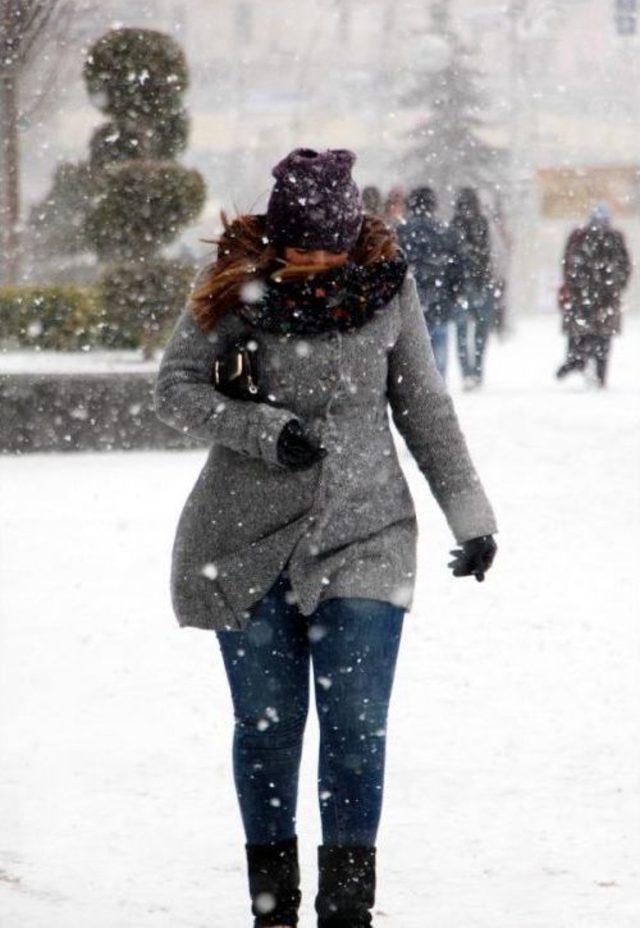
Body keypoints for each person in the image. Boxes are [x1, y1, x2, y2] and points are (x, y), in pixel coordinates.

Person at [155, 148, 498, 928]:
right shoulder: (237, 290)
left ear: (351, 237)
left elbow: (426, 410)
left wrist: (471, 518)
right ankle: (272, 908)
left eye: (328, 248)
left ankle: (348, 911)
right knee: (268, 732)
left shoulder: (387, 289)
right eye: (301, 248)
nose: (315, 263)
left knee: (356, 728)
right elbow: (173, 387)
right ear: (279, 236)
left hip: (367, 531)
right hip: (246, 540)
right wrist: (262, 429)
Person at [556, 203, 631, 387]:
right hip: (593, 295)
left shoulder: (587, 237)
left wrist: (615, 285)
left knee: (593, 335)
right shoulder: (586, 237)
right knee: (595, 335)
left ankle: (584, 364)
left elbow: (624, 266)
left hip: (594, 295)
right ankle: (587, 366)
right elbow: (624, 267)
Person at [398, 186, 464, 378]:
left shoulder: (400, 232)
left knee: (411, 350)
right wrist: (454, 292)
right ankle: (437, 386)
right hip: (439, 300)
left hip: (409, 303)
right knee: (439, 344)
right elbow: (457, 268)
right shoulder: (447, 232)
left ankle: (416, 387)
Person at [451, 187, 495, 389]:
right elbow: (486, 254)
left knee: (462, 332)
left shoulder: (454, 224)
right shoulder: (481, 222)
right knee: (480, 331)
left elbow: (453, 258)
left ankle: (467, 373)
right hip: (481, 283)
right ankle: (476, 370)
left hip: (461, 285)